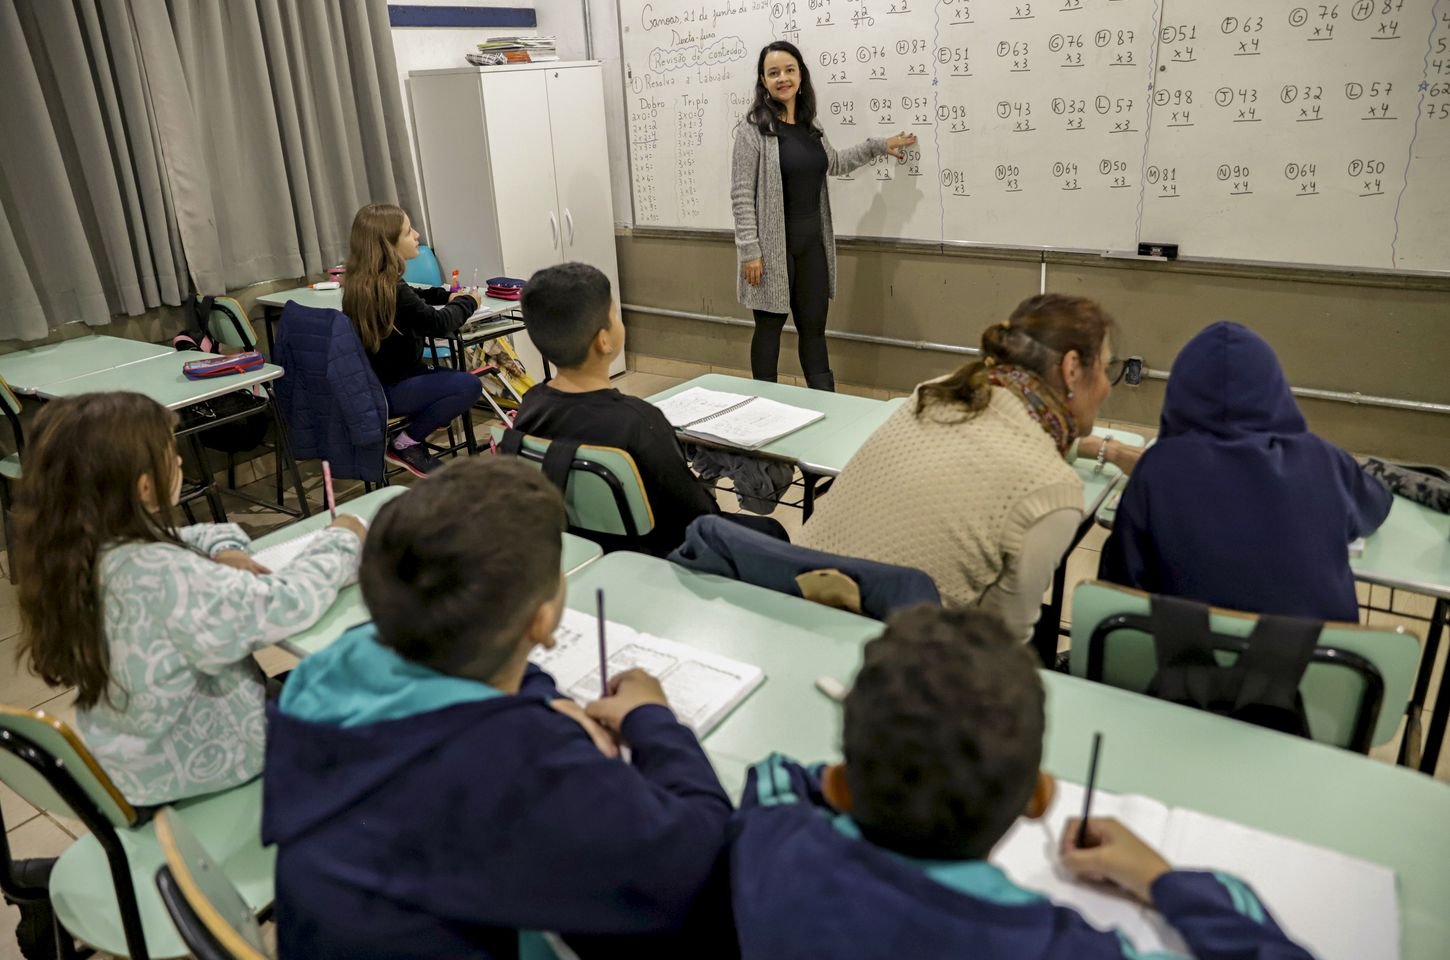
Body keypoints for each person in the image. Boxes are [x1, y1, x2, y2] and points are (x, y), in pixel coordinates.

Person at [262, 457, 737, 959]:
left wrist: (548, 701)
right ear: (544, 620)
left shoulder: (329, 667)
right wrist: (655, 722)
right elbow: (704, 866)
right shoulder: (518, 762)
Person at [729, 605, 1314, 959]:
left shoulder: (773, 850)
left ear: (839, 789)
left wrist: (868, 776)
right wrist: (1161, 880)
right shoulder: (1061, 948)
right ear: (1040, 798)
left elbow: (775, 775)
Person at [12, 392, 364, 808]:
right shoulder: (162, 576)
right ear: (145, 486)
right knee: (360, 700)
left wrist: (225, 549)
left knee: (310, 686)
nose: (180, 462)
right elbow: (287, 602)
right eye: (171, 453)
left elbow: (187, 538)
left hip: (136, 757)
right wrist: (345, 535)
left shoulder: (82, 550)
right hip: (207, 762)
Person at [799, 294, 1130, 641]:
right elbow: (1000, 641)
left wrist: (1102, 448)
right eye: (1106, 369)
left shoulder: (936, 392)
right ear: (1072, 368)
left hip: (794, 608)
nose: (1107, 386)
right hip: (890, 664)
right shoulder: (1052, 489)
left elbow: (997, 434)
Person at [1099, 321, 1391, 622]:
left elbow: (1119, 582)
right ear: (1276, 388)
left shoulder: (1157, 467)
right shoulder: (1323, 460)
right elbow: (1376, 506)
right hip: (1317, 663)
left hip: (1182, 660)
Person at [513, 261, 784, 556]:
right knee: (773, 532)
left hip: (584, 549)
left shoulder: (530, 407)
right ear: (604, 341)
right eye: (615, 315)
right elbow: (697, 514)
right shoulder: (639, 422)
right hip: (659, 556)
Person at [731, 40, 918, 390]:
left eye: (789, 70)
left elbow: (834, 163)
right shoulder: (753, 130)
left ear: (801, 75)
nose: (782, 78)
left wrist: (878, 145)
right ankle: (762, 403)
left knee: (814, 330)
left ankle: (825, 402)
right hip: (772, 250)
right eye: (774, 73)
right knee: (769, 328)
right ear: (763, 81)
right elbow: (741, 195)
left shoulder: (809, 125)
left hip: (812, 244)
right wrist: (750, 250)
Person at [342, 203, 482, 476]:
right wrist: (469, 302)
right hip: (392, 389)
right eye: (408, 232)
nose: (417, 235)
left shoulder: (364, 283)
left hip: (377, 383)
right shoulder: (393, 290)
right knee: (468, 386)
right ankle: (405, 443)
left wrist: (444, 296)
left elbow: (413, 295)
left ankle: (423, 423)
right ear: (389, 245)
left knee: (447, 382)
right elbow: (439, 324)